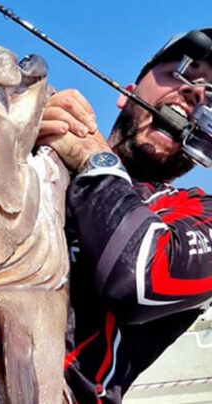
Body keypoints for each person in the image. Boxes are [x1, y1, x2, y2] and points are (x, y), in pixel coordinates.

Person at [37, 29, 212, 404]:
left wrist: (93, 158)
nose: (195, 93)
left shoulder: (197, 214)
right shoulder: (36, 153)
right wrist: (13, 133)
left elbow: (136, 280)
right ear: (126, 93)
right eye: (182, 71)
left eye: (211, 97)